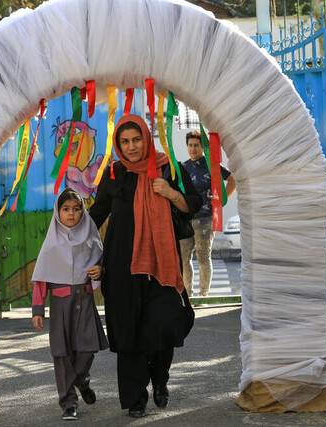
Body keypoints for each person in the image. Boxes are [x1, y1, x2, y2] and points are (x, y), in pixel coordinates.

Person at [89, 114, 202, 418]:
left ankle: (160, 380)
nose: (131, 147)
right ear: (118, 145)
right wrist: (65, 240)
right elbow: (96, 216)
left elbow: (194, 203)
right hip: (122, 267)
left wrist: (169, 192)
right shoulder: (113, 173)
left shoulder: (169, 167)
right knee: (128, 333)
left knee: (163, 325)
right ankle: (136, 397)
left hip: (161, 266)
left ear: (146, 138)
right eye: (124, 142)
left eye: (136, 139)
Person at [32, 188, 109, 421]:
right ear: (58, 212)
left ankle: (82, 382)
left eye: (76, 209)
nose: (71, 214)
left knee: (87, 350)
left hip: (84, 301)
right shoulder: (51, 243)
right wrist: (37, 310)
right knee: (62, 354)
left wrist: (100, 272)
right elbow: (41, 278)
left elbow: (102, 264)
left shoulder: (91, 236)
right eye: (66, 209)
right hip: (60, 305)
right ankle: (68, 403)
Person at [179, 130, 236, 297]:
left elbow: (232, 179)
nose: (193, 149)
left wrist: (221, 199)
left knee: (203, 256)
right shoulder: (183, 167)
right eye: (190, 145)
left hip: (204, 218)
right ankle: (187, 294)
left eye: (196, 145)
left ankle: (203, 294)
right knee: (184, 258)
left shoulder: (212, 165)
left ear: (203, 147)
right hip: (186, 218)